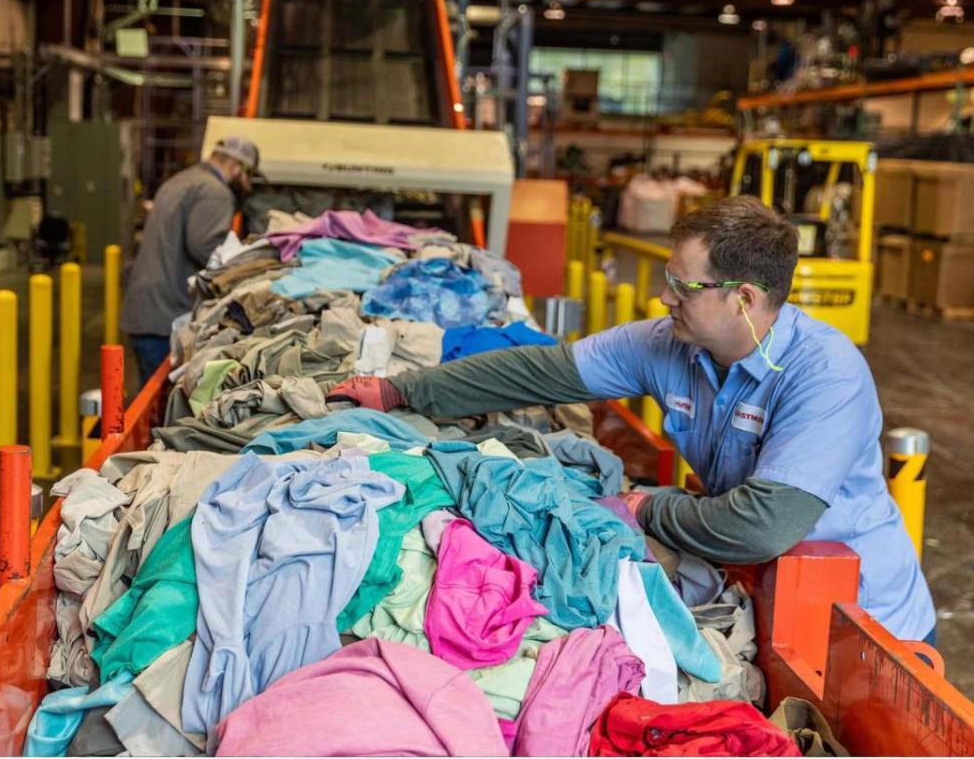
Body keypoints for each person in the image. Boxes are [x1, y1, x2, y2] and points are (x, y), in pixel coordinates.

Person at [329, 196, 936, 644]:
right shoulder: (668, 344)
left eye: (683, 285)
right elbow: (540, 373)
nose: (664, 297)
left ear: (744, 299)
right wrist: (399, 390)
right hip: (764, 593)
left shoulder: (825, 375)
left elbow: (763, 526)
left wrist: (650, 509)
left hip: (867, 629)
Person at [121, 137, 263, 384]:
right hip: (166, 318)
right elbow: (207, 247)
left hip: (147, 310)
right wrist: (249, 264)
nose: (246, 184)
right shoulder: (215, 192)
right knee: (163, 408)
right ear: (236, 166)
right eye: (247, 175)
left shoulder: (182, 180)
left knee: (148, 395)